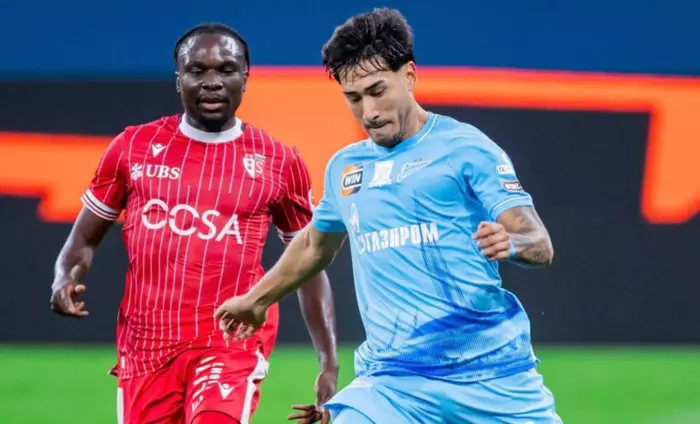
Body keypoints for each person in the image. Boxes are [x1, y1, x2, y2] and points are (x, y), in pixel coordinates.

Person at [215, 8, 563, 424]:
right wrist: (256, 300)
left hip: (491, 377)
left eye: (377, 90)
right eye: (354, 98)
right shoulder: (346, 168)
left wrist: (512, 243)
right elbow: (313, 246)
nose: (369, 111)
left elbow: (539, 243)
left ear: (410, 76)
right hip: (392, 384)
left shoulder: (466, 149)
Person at [50, 23, 338, 424]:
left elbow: (308, 261)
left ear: (245, 78)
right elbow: (84, 239)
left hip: (231, 339)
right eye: (197, 71)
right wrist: (65, 276)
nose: (212, 82)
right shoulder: (132, 148)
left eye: (226, 70)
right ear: (178, 79)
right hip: (146, 347)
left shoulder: (278, 162)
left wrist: (328, 363)